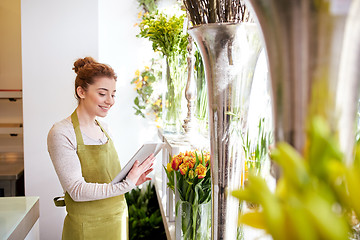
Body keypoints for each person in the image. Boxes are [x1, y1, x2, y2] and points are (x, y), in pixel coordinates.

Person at [47, 57, 155, 240]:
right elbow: (77, 190)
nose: (110, 101)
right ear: (81, 91)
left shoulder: (105, 128)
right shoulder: (62, 132)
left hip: (117, 219)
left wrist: (129, 182)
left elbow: (107, 180)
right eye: (103, 93)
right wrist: (125, 185)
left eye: (113, 94)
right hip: (86, 226)